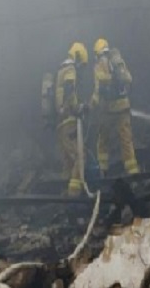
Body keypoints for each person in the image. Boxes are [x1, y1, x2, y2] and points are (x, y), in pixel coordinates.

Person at [90, 38, 139, 176]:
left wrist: (92, 104)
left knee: (103, 139)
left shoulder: (100, 64)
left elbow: (98, 88)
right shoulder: (118, 61)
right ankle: (133, 172)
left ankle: (102, 170)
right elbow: (129, 79)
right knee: (126, 140)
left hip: (109, 109)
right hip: (124, 106)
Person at [55, 42, 89, 197]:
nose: (80, 70)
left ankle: (65, 193)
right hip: (69, 121)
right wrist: (77, 107)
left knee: (67, 163)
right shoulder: (70, 69)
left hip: (61, 124)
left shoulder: (60, 70)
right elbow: (70, 90)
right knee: (79, 157)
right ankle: (74, 194)